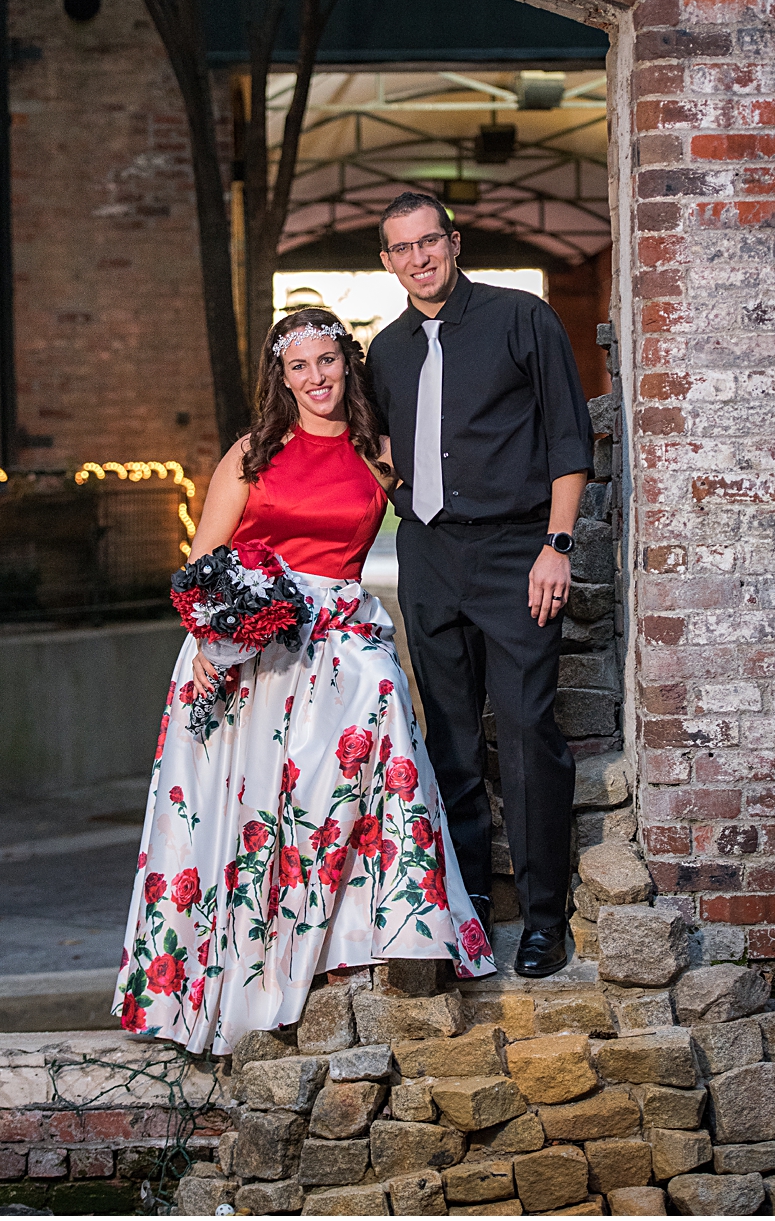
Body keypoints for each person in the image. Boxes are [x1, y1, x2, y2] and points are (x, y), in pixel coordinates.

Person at [114, 308, 496, 1055]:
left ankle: (370, 938)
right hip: (252, 640)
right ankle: (239, 981)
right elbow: (204, 558)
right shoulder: (253, 452)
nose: (316, 378)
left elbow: (449, 515)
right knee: (248, 811)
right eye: (300, 367)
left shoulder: (379, 451)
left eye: (327, 361)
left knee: (380, 711)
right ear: (280, 377)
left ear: (345, 365)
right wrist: (207, 641)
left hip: (342, 636)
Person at [365, 191, 594, 979]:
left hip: (514, 553)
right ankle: (461, 915)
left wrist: (554, 545)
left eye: (430, 241)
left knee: (529, 728)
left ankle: (540, 918)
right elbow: (383, 445)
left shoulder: (521, 318)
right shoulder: (385, 350)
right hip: (429, 556)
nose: (420, 258)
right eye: (403, 248)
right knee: (449, 741)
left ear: (453, 242)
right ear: (388, 261)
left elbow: (569, 435)